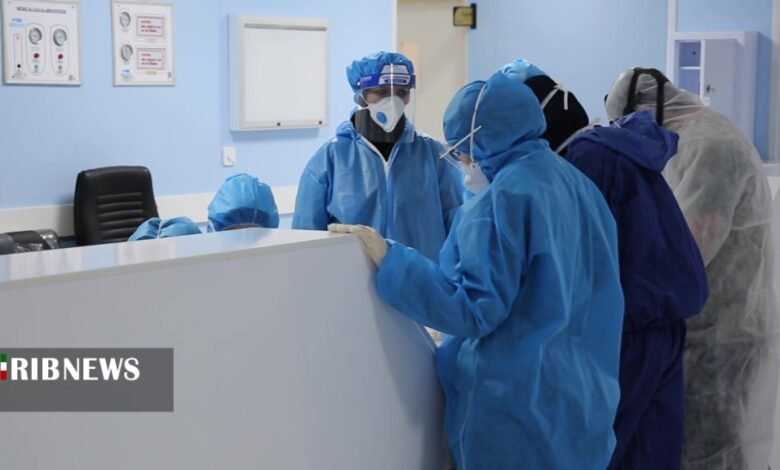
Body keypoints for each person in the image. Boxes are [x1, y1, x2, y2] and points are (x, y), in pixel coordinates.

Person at [330, 70, 625, 469]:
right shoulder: (576, 184)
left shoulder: (501, 201)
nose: (462, 161)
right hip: (583, 398)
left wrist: (392, 259)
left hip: (516, 405)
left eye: (462, 150)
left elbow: (472, 309)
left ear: (482, 138)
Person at [503, 59, 709, 469]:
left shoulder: (587, 161)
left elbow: (576, 258)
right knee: (652, 449)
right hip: (663, 321)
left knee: (603, 448)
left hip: (629, 327)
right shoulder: (612, 147)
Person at [606, 67, 778, 470]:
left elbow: (689, 249)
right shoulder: (690, 141)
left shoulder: (712, 146)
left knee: (708, 450)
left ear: (644, 110)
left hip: (720, 332)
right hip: (703, 326)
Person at [292, 51, 464, 261]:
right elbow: (306, 237)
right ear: (361, 94)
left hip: (420, 276)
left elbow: (457, 224)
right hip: (351, 276)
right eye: (381, 92)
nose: (393, 101)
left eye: (402, 92)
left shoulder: (434, 155)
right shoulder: (331, 158)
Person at [128, 173, 279, 241]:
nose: (244, 242)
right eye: (235, 235)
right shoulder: (203, 265)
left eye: (255, 237)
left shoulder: (277, 265)